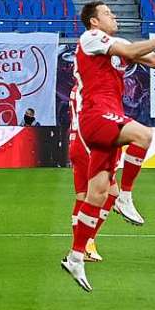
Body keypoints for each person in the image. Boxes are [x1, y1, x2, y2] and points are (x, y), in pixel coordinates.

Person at [61, 2, 155, 291]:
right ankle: (126, 196)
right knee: (143, 134)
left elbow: (153, 62)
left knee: (97, 193)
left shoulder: (117, 44)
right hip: (96, 115)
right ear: (93, 21)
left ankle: (76, 256)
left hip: (106, 119)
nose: (113, 16)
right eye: (107, 13)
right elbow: (130, 52)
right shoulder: (90, 39)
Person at [67, 89, 115, 263]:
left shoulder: (77, 88)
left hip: (76, 144)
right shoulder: (90, 89)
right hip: (88, 146)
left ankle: (79, 248)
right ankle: (87, 243)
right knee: (111, 193)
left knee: (82, 197)